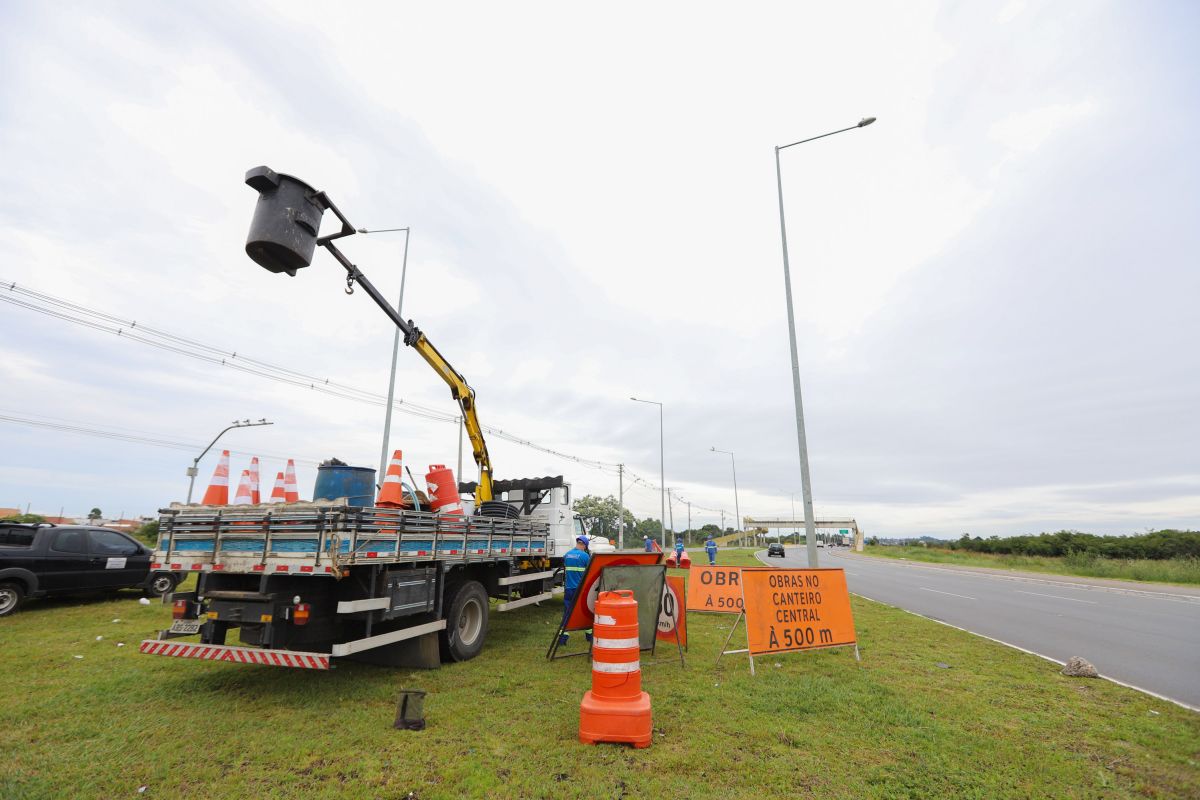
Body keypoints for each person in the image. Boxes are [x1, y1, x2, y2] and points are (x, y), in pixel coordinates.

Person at [560, 535, 592, 646]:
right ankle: (589, 636)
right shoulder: (585, 556)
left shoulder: (567, 554)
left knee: (567, 612)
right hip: (580, 589)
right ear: (584, 545)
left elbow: (563, 562)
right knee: (585, 611)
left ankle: (563, 638)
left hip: (568, 588)